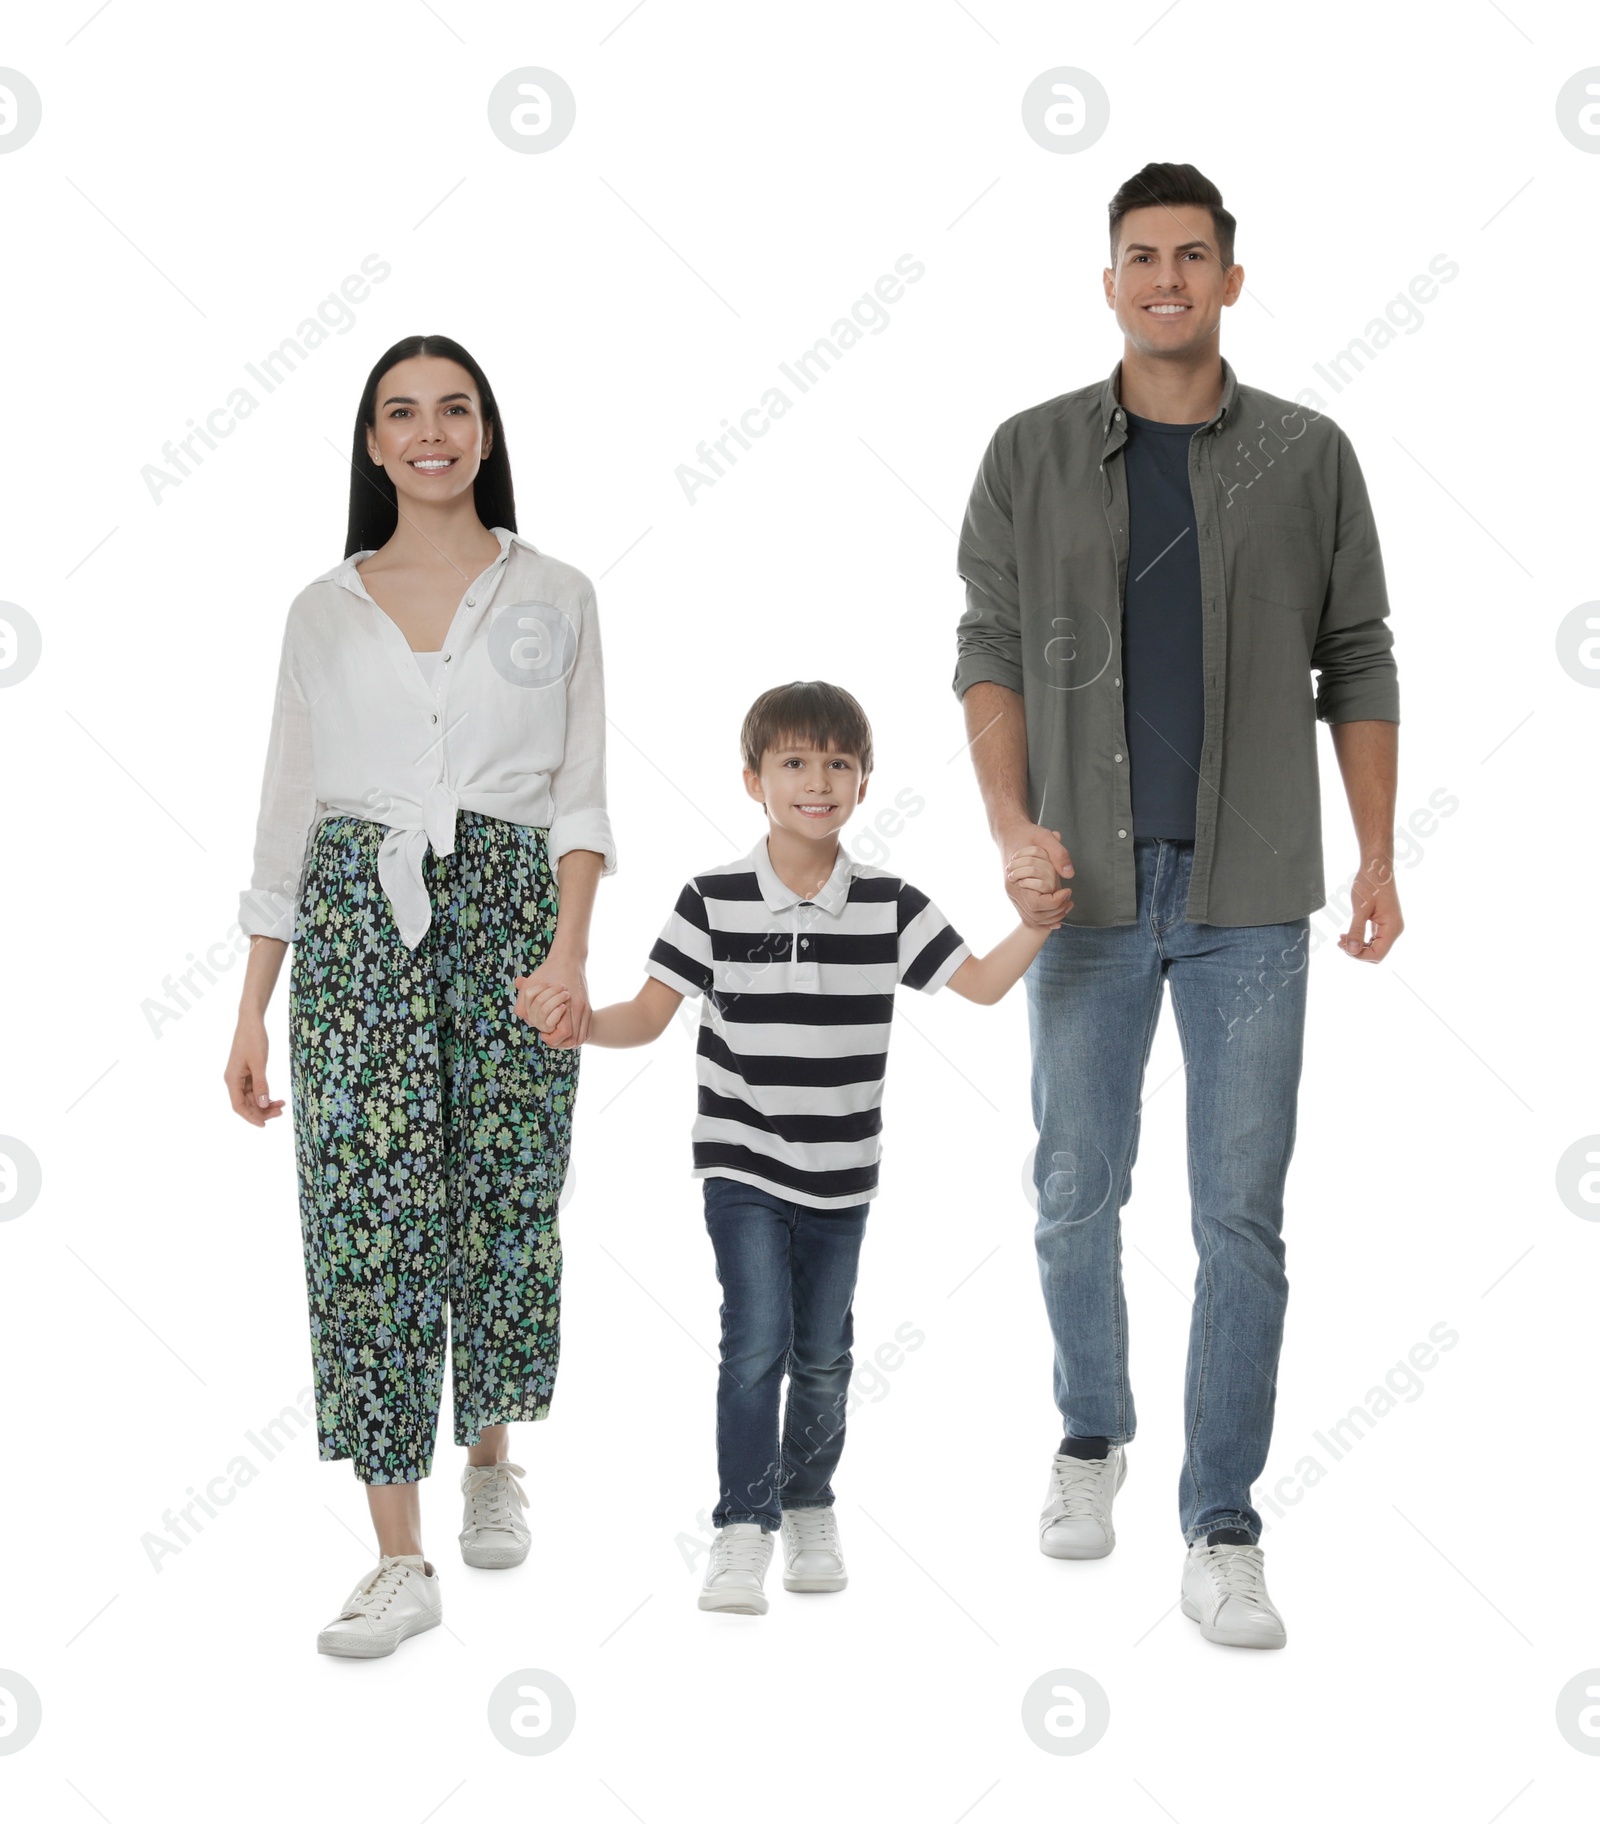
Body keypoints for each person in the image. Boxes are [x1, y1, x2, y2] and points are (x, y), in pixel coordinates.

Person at [953, 163, 1402, 1650]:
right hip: (1080, 892)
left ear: (1230, 278)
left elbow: (1362, 660)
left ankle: (1222, 1523)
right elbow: (991, 646)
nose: (1165, 279)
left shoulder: (1310, 454)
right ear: (1108, 282)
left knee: (1241, 1220)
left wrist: (1380, 854)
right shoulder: (1026, 453)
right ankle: (1093, 1438)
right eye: (1139, 257)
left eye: (1191, 256)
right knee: (1074, 1195)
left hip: (1253, 896)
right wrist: (1014, 828)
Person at [223, 335, 615, 1659]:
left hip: (509, 899)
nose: (430, 431)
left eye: (455, 409)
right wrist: (247, 1006)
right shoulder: (319, 611)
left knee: (502, 1188)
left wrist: (567, 952)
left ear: (487, 434)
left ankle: (493, 1448)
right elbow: (285, 809)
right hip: (352, 916)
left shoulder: (554, 592)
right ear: (374, 443)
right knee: (368, 1216)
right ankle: (399, 1556)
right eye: (403, 413)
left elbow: (580, 792)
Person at [523, 680, 1060, 1615]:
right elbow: (647, 1017)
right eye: (796, 763)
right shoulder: (713, 901)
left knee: (823, 1353)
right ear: (753, 780)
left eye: (839, 764)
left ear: (864, 781)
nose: (819, 781)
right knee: (756, 1338)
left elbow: (976, 985)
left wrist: (1037, 926)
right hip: (742, 1164)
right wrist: (581, 1026)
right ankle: (742, 1524)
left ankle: (809, 1501)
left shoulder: (890, 905)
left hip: (842, 1177)